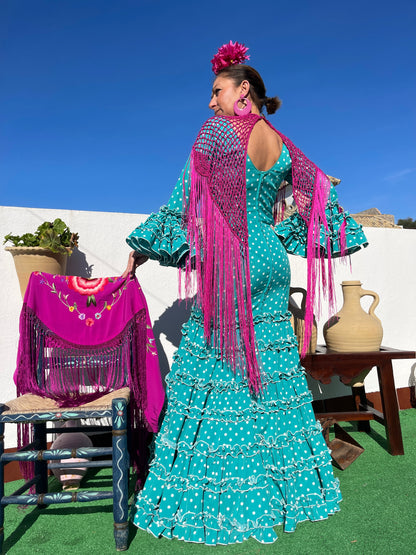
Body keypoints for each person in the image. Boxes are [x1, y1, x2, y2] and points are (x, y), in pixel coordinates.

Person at [124, 41, 368, 545]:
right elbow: (320, 186)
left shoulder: (216, 132)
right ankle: (285, 490)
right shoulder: (280, 141)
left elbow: (184, 197)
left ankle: (232, 496)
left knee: (217, 376)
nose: (210, 103)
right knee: (271, 380)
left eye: (216, 91)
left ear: (243, 90)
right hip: (271, 263)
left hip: (230, 264)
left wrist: (142, 248)